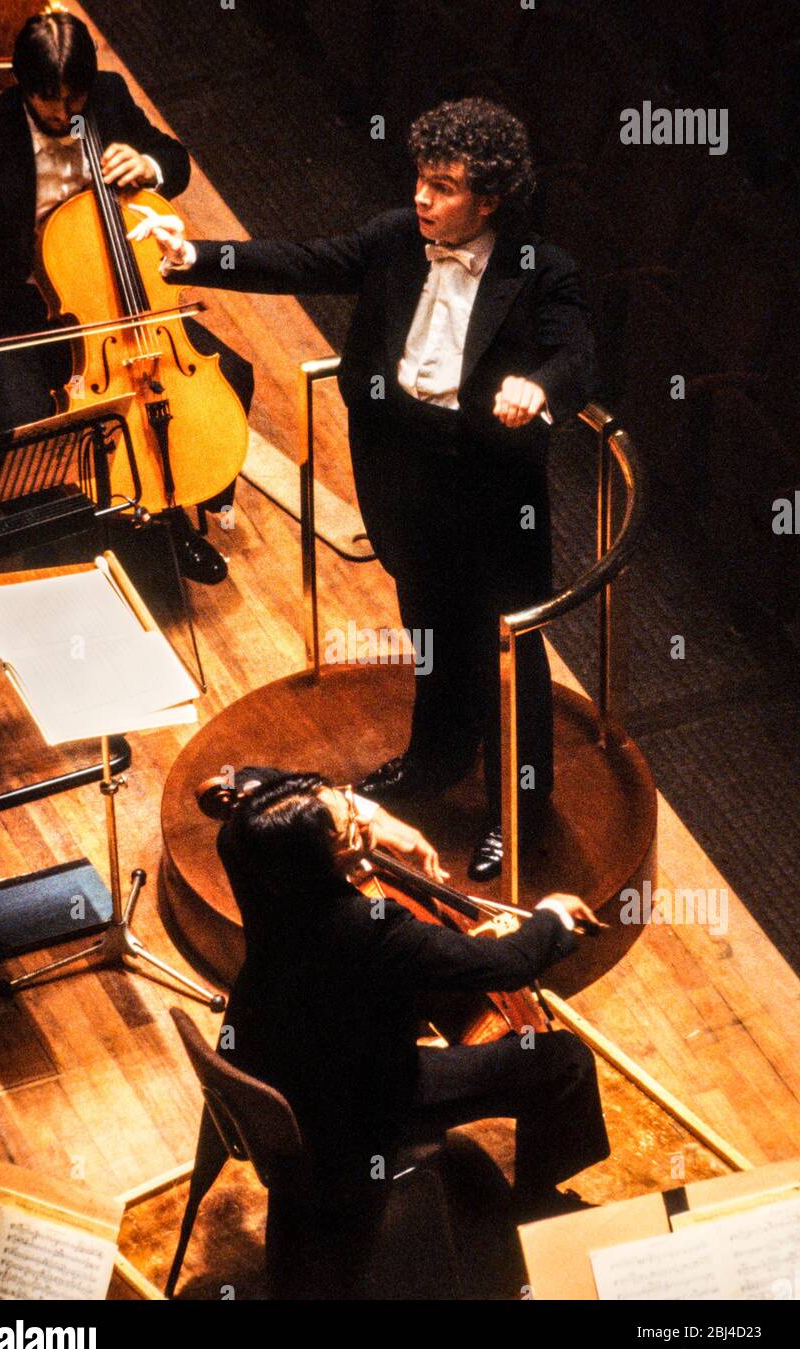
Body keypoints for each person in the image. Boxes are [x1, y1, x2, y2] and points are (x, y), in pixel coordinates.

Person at [129, 97, 596, 877]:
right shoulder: (394, 239)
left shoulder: (540, 270)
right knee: (429, 627)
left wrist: (539, 386)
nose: (421, 197)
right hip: (403, 472)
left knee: (507, 655)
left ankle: (516, 804)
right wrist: (190, 254)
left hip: (488, 488)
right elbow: (303, 261)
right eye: (420, 178)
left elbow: (576, 352)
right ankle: (434, 758)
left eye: (442, 187)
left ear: (489, 199)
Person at [209, 765, 610, 1295]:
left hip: (274, 1061)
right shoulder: (373, 930)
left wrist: (378, 821)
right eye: (349, 816)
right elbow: (508, 964)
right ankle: (537, 1200)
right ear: (334, 852)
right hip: (359, 1110)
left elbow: (261, 794)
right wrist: (550, 917)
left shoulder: (246, 853)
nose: (359, 811)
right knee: (563, 1060)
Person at [0, 10, 252, 583]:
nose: (65, 113)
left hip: (105, 301)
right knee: (37, 437)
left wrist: (150, 164)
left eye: (74, 96)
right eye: (48, 99)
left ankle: (169, 515)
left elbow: (177, 162)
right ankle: (75, 553)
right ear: (23, 85)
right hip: (10, 310)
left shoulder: (107, 98)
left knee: (231, 373)